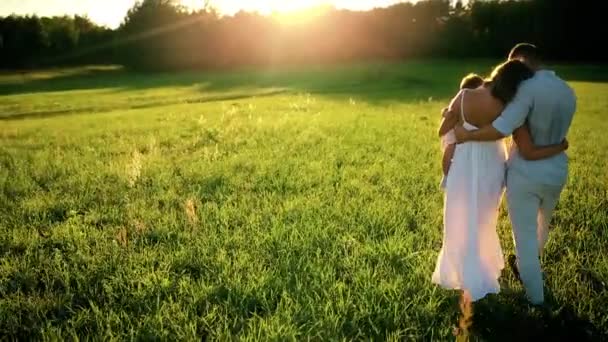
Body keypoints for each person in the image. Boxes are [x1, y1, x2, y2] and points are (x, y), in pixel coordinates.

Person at [432, 59, 568, 305]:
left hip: (463, 161)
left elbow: (443, 131)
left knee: (459, 215)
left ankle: (460, 272)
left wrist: (452, 119)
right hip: (491, 164)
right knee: (485, 218)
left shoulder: (463, 95)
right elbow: (520, 140)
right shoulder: (509, 106)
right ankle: (482, 269)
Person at [439, 74, 484, 190]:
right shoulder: (461, 103)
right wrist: (446, 114)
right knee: (450, 149)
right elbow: (447, 110)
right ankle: (446, 175)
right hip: (454, 130)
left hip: (463, 137)